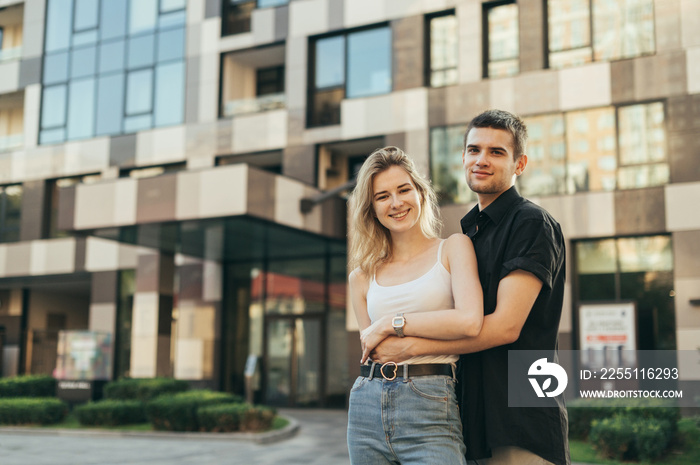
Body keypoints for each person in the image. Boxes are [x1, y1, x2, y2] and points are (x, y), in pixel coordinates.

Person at [370, 110, 570, 465]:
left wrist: (408, 345)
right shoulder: (470, 235)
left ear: (519, 164)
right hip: (471, 423)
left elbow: (506, 327)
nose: (481, 160)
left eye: (496, 152)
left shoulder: (531, 223)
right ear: (463, 156)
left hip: (519, 422)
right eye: (474, 149)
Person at [346, 146, 484, 465]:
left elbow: (469, 321)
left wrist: (391, 324)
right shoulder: (362, 276)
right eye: (382, 196)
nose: (396, 203)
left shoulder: (453, 248)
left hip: (431, 401)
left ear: (420, 192)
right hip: (367, 403)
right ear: (372, 208)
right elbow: (375, 350)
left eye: (404, 189)